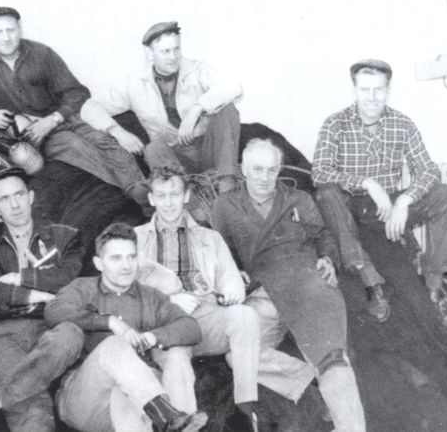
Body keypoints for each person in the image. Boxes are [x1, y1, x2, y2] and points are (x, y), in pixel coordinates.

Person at [134, 166, 316, 431]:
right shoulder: (134, 240)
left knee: (243, 314)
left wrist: (233, 289)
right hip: (165, 325)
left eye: (175, 194)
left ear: (186, 196)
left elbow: (229, 276)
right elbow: (126, 292)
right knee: (175, 361)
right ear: (151, 199)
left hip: (207, 316)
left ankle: (245, 410)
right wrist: (169, 299)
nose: (169, 202)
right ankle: (185, 424)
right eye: (161, 196)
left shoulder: (210, 237)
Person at [212, 138, 366, 432]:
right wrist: (233, 274)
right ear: (244, 169)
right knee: (238, 355)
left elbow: (323, 235)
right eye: (257, 169)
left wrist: (327, 259)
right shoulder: (225, 205)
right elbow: (221, 251)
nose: (264, 178)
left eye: (272, 170)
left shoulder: (298, 199)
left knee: (331, 359)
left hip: (307, 284)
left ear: (279, 170)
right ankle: (311, 382)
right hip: (263, 292)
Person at [0, 6, 150, 212]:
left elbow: (78, 93)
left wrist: (55, 118)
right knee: (75, 146)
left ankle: (144, 192)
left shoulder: (41, 53)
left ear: (20, 29)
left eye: (10, 30)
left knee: (105, 140)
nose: (6, 37)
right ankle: (134, 196)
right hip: (36, 135)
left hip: (64, 117)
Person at [312, 58, 447, 319]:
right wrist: (366, 183)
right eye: (365, 89)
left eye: (378, 90)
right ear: (354, 91)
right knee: (325, 193)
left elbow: (429, 170)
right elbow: (319, 172)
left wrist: (404, 200)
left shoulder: (402, 124)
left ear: (388, 91)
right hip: (350, 209)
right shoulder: (335, 124)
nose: (371, 97)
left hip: (389, 209)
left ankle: (434, 284)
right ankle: (371, 283)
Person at [44, 223, 208, 432]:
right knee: (115, 344)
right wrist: (109, 322)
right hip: (84, 398)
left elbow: (191, 327)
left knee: (175, 355)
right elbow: (53, 310)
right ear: (99, 263)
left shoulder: (150, 296)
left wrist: (153, 337)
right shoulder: (82, 288)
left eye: (131, 257)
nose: (126, 266)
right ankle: (168, 416)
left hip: (133, 396)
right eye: (116, 258)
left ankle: (179, 422)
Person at [0, 167, 85, 432]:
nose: (15, 204)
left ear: (30, 197)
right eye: (5, 199)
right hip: (1, 331)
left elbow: (69, 276)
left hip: (51, 323)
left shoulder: (64, 236)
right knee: (32, 407)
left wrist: (20, 277)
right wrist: (34, 294)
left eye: (19, 194)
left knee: (71, 335)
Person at [81, 21, 243, 194]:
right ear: (149, 53)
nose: (173, 57)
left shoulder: (198, 69)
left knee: (227, 109)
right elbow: (89, 107)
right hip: (175, 157)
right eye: (165, 51)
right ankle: (189, 200)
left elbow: (234, 87)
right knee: (153, 149)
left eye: (176, 49)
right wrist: (118, 132)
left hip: (209, 149)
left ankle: (227, 189)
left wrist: (196, 109)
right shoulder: (134, 83)